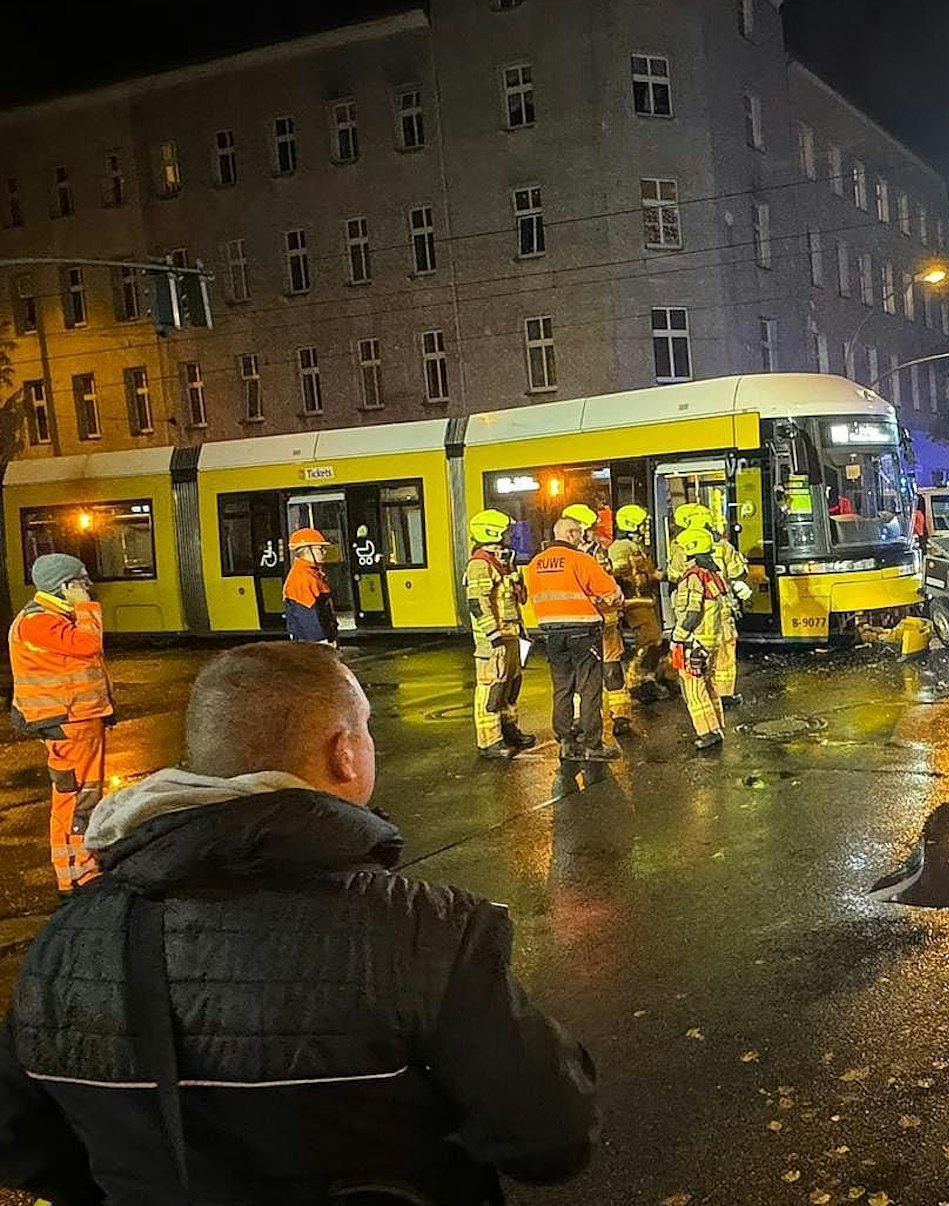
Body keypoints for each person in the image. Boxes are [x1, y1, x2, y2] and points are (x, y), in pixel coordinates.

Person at [0, 642, 598, 1205]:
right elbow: (549, 1140)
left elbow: (17, 1132)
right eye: (365, 729)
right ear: (344, 753)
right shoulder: (427, 932)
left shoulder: (66, 941)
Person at [7, 554, 111, 896]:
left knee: (79, 797)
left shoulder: (49, 619)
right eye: (81, 581)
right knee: (78, 799)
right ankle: (78, 875)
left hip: (76, 722)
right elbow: (88, 644)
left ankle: (79, 870)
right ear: (64, 586)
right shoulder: (39, 622)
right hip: (70, 724)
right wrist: (86, 607)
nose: (88, 587)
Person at [524, 511, 623, 792]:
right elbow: (612, 594)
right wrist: (608, 599)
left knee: (562, 688)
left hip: (552, 634)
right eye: (579, 533)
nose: (582, 538)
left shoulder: (535, 563)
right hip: (583, 632)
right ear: (570, 534)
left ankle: (566, 743)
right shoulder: (580, 560)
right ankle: (593, 745)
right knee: (589, 689)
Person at [463, 509, 536, 760]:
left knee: (511, 685)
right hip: (492, 640)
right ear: (491, 532)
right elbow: (478, 604)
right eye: (505, 531)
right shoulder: (479, 565)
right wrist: (493, 636)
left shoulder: (503, 562)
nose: (509, 536)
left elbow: (520, 599)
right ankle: (490, 741)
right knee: (492, 689)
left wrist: (517, 578)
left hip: (512, 634)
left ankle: (509, 729)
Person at [670, 526, 738, 751]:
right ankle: (716, 728)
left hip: (695, 641)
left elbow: (691, 613)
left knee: (693, 689)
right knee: (709, 686)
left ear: (690, 550)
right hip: (712, 640)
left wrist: (677, 638)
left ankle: (705, 732)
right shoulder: (712, 575)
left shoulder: (692, 577)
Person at [609, 504, 679, 711]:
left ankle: (650, 677)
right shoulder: (620, 547)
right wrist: (648, 576)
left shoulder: (633, 546)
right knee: (650, 639)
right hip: (634, 602)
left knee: (654, 640)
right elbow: (619, 573)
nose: (644, 527)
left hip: (644, 600)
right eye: (641, 524)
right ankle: (638, 681)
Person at [283, 527, 339, 645]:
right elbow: (308, 618)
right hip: (311, 646)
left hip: (323, 640)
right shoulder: (301, 579)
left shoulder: (313, 574)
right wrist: (322, 644)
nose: (324, 552)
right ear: (307, 551)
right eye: (320, 549)